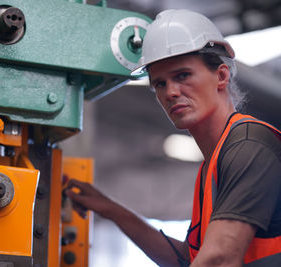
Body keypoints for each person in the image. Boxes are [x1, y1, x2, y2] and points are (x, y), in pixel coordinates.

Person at [65, 9, 281, 267]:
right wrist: (110, 209)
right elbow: (189, 261)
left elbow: (219, 259)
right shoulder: (213, 165)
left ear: (221, 76)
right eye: (160, 84)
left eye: (182, 76)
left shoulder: (248, 145)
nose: (171, 92)